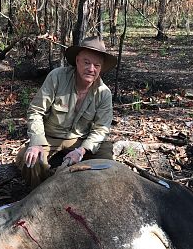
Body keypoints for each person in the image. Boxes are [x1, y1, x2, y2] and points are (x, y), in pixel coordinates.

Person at [16, 36, 117, 188]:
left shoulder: (104, 93)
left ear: (101, 68)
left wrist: (82, 150)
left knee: (106, 158)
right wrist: (36, 142)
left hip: (80, 139)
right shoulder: (57, 77)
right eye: (86, 62)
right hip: (50, 137)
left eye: (96, 65)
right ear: (77, 61)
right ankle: (41, 193)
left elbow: (101, 128)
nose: (91, 69)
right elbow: (36, 111)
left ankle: (86, 191)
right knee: (31, 160)